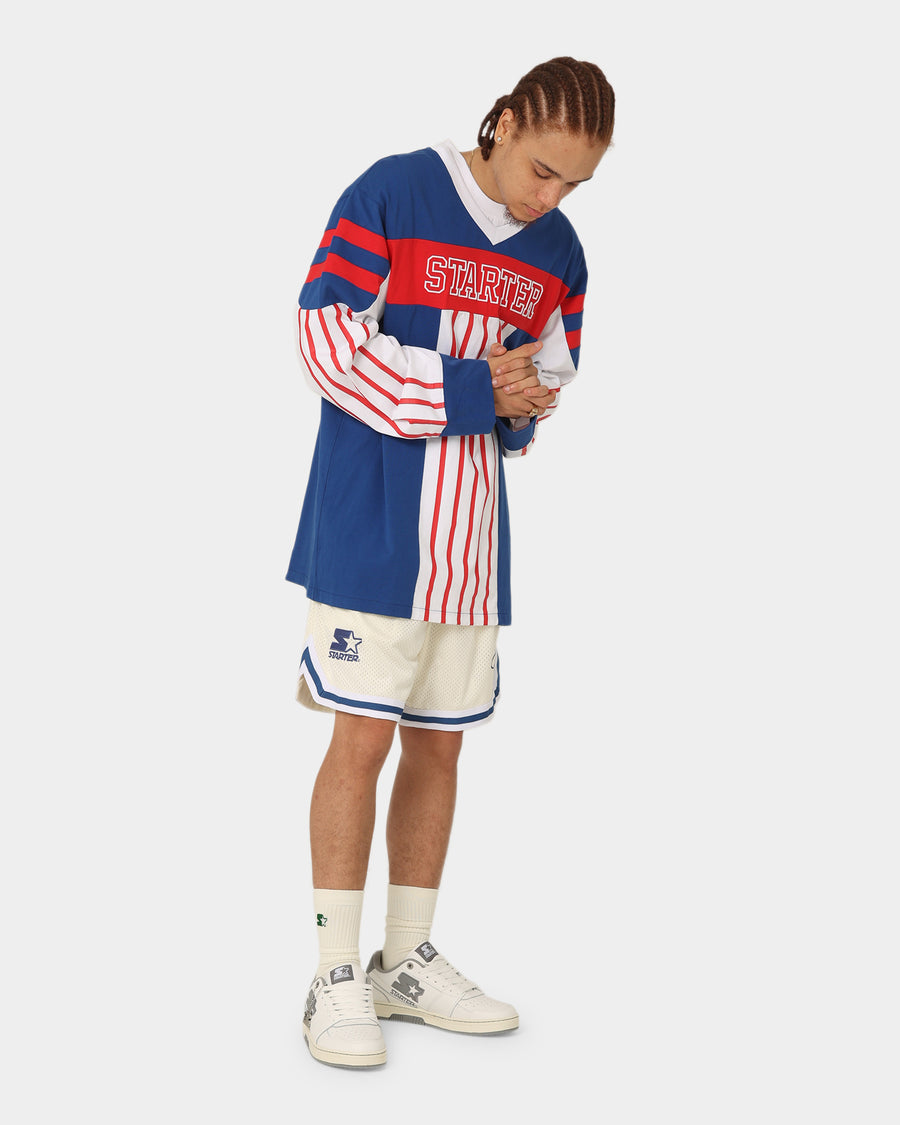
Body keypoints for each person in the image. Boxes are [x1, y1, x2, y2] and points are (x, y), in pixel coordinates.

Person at [286, 56, 615, 1068]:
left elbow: (545, 378)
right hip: (373, 523)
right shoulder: (394, 191)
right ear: (504, 122)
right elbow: (326, 343)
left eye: (575, 184)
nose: (551, 197)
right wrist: (478, 390)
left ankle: (403, 961)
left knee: (440, 746)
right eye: (543, 169)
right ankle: (332, 973)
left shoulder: (560, 252)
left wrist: (521, 408)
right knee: (360, 739)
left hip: (471, 539)